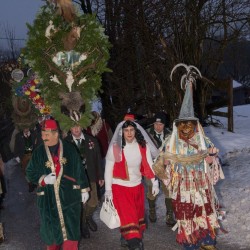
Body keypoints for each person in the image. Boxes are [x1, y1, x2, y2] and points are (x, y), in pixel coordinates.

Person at [153, 66, 224, 250]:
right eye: (183, 124)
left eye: (190, 124)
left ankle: (207, 241)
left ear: (195, 124)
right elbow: (159, 165)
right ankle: (191, 243)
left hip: (201, 185)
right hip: (183, 187)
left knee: (205, 210)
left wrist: (212, 160)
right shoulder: (171, 142)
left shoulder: (203, 140)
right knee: (187, 215)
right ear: (178, 125)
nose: (186, 127)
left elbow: (214, 159)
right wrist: (166, 164)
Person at [26, 119, 90, 250]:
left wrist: (84, 189)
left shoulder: (70, 149)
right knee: (52, 239)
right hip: (48, 203)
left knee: (71, 237)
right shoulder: (38, 152)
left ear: (56, 134)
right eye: (43, 134)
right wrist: (43, 179)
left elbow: (79, 169)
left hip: (69, 199)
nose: (44, 137)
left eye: (47, 134)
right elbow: (29, 172)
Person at [104, 119, 160, 250]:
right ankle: (134, 244)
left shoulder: (142, 146)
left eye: (131, 130)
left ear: (136, 131)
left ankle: (125, 237)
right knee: (130, 218)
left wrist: (154, 182)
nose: (129, 133)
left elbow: (149, 164)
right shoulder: (116, 148)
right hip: (119, 188)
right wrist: (108, 190)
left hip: (137, 187)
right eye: (126, 130)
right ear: (122, 132)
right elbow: (108, 169)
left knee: (136, 217)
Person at [65, 124, 104, 239]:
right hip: (75, 179)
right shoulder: (65, 142)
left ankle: (87, 217)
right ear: (69, 128)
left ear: (82, 126)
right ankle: (82, 225)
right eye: (73, 127)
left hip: (90, 176)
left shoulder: (91, 140)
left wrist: (100, 176)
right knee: (80, 204)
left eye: (78, 126)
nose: (76, 129)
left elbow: (98, 158)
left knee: (93, 202)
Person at [145, 111, 175, 226]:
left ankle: (169, 215)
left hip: (166, 167)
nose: (158, 126)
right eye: (156, 124)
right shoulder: (147, 134)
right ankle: (152, 211)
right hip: (151, 167)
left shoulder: (170, 135)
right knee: (152, 191)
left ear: (164, 125)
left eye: (161, 124)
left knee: (169, 190)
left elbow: (173, 151)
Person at [86, 111, 113, 199]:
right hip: (94, 156)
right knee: (97, 175)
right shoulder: (87, 128)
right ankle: (100, 195)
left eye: (94, 118)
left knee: (107, 174)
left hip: (105, 155)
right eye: (91, 118)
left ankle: (108, 193)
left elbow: (112, 138)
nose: (93, 120)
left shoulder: (104, 125)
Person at [14, 127, 37, 192]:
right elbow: (16, 147)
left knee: (34, 170)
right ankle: (30, 184)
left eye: (27, 128)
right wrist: (17, 157)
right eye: (24, 128)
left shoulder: (34, 134)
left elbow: (38, 144)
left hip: (33, 155)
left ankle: (34, 182)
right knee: (26, 171)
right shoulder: (18, 136)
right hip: (24, 156)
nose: (26, 130)